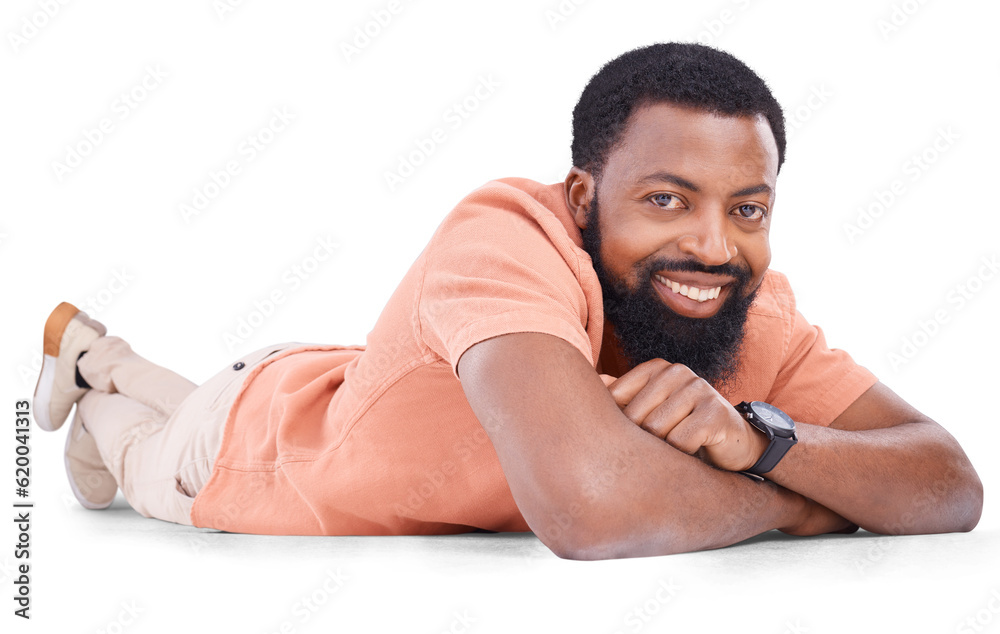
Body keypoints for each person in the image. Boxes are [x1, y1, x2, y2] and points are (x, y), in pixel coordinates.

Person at [34, 42, 982, 560]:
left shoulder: (738, 302)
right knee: (147, 448)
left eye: (748, 208)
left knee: (202, 392)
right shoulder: (501, 236)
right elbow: (589, 509)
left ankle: (97, 349)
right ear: (581, 198)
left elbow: (949, 481)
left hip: (312, 383)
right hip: (249, 460)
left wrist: (761, 439)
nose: (712, 243)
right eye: (666, 199)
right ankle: (94, 382)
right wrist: (798, 506)